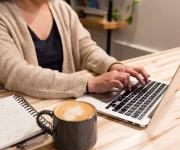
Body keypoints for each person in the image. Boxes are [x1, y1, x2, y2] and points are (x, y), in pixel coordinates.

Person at [0, 0, 149, 99]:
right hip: (27, 108)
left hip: (67, 102)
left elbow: (87, 49)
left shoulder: (62, 8)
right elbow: (17, 74)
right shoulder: (3, 16)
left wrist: (113, 66)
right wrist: (88, 84)